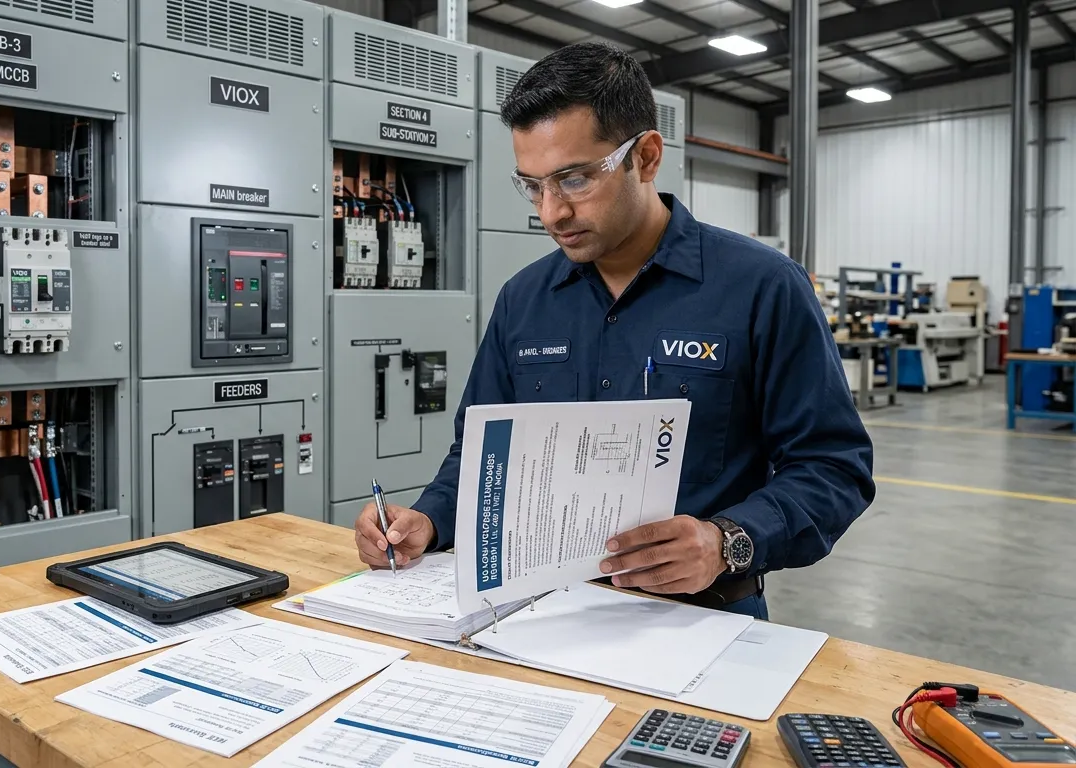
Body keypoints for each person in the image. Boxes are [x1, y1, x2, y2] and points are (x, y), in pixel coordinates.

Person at [352, 42, 874, 620]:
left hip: (701, 620)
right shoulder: (524, 300)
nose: (551, 213)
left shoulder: (762, 287)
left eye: (574, 179)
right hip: (533, 616)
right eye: (533, 185)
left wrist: (727, 540)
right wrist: (428, 518)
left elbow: (833, 467)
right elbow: (477, 459)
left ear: (646, 157)